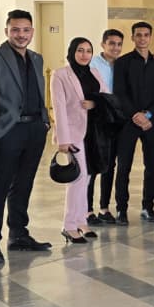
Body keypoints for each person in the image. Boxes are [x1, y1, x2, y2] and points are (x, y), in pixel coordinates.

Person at [0, 9, 52, 264]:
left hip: (34, 130)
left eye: (26, 30)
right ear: (6, 31)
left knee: (23, 185)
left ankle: (19, 234)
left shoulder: (37, 58)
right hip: (6, 132)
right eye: (15, 30)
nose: (21, 35)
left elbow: (38, 91)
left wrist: (44, 121)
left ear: (32, 32)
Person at [113, 21, 154, 224]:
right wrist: (136, 115)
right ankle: (121, 210)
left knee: (152, 167)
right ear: (132, 37)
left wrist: (149, 114)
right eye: (138, 35)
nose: (142, 38)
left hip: (153, 122)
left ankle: (148, 207)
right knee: (124, 167)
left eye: (146, 35)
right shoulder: (122, 62)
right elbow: (119, 93)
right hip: (128, 122)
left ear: (150, 37)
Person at [51, 37, 104, 244]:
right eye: (80, 50)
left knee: (87, 177)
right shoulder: (60, 74)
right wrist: (63, 139)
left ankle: (81, 221)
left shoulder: (94, 73)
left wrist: (95, 104)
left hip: (93, 131)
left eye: (88, 51)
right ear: (72, 52)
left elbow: (106, 96)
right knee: (77, 178)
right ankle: (69, 225)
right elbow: (59, 107)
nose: (84, 54)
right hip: (73, 133)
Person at [87, 29, 124, 225]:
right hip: (96, 119)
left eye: (119, 44)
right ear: (103, 44)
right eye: (111, 43)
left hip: (116, 119)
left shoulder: (123, 64)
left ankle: (104, 208)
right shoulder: (92, 63)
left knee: (110, 165)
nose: (115, 47)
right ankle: (87, 211)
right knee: (93, 165)